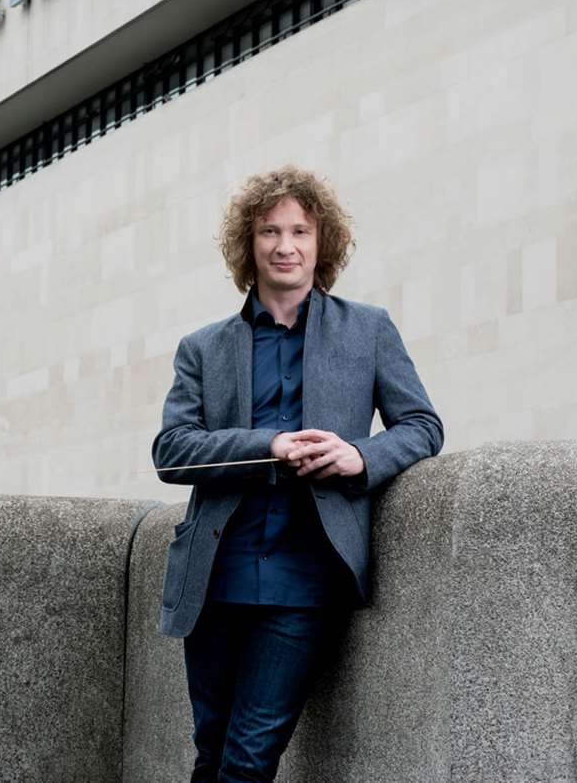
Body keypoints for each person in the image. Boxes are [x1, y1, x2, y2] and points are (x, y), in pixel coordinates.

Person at [152, 166, 443, 783]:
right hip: (215, 578)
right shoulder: (202, 347)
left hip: (305, 577)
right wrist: (270, 445)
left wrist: (361, 456)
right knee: (211, 751)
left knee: (249, 757)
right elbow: (172, 451)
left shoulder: (368, 329)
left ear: (322, 243)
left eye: (300, 231)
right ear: (248, 245)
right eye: (269, 231)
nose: (286, 245)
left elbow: (422, 425)